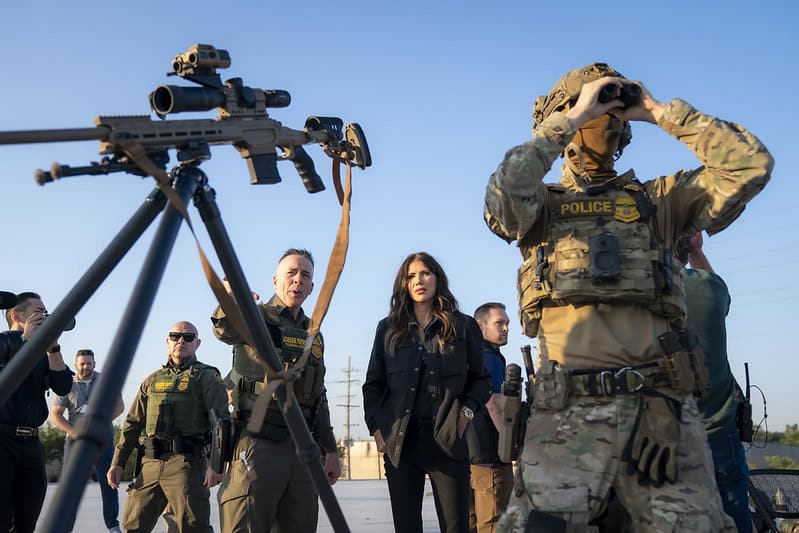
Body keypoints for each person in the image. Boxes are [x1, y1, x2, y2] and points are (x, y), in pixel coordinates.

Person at [483, 62, 773, 531]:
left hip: (660, 414)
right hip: (564, 418)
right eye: (595, 106)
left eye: (613, 110)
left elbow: (751, 164)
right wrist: (571, 118)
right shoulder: (540, 208)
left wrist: (658, 111)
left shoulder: (661, 201)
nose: (606, 119)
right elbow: (504, 193)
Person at [211, 248, 341, 533]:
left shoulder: (313, 333)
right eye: (291, 273)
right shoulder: (254, 316)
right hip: (257, 444)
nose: (297, 280)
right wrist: (231, 300)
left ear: (311, 287)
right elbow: (224, 329)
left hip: (303, 450)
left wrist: (330, 449)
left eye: (305, 275)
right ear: (275, 280)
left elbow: (317, 395)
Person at [363, 252, 490, 533]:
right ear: (403, 284)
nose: (418, 281)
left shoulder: (463, 326)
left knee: (456, 527)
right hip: (401, 445)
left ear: (437, 279)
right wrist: (377, 428)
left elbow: (481, 380)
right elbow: (373, 385)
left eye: (425, 274)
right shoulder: (387, 329)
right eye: (411, 276)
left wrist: (466, 412)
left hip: (448, 441)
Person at [106, 321, 228, 533]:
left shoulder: (207, 377)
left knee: (190, 527)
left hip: (186, 465)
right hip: (150, 465)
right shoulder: (151, 381)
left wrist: (216, 466)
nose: (181, 341)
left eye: (188, 337)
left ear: (197, 343)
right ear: (167, 341)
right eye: (175, 336)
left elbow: (221, 424)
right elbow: (133, 424)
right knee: (132, 526)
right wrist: (118, 462)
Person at [679, 232, 753, 533]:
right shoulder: (708, 288)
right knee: (734, 520)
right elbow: (714, 287)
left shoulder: (640, 293)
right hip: (717, 435)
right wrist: (697, 252)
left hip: (656, 440)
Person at [0, 291, 73, 532]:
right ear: (16, 315)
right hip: (2, 440)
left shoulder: (43, 352)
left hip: (31, 443)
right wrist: (24, 341)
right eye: (38, 312)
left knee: (27, 518)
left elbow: (62, 385)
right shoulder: (4, 343)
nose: (45, 316)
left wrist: (53, 347)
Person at [50, 348, 125, 533]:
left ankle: (113, 524)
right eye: (82, 364)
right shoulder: (66, 384)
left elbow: (119, 406)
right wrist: (75, 432)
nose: (86, 367)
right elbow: (55, 415)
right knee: (69, 485)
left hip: (103, 438)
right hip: (75, 440)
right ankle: (65, 526)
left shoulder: (106, 381)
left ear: (94, 364)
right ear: (76, 365)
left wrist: (101, 423)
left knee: (110, 482)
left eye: (89, 363)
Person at [466, 303, 514, 533]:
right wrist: (511, 445)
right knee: (494, 524)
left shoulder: (465, 355)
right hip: (490, 457)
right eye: (499, 323)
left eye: (507, 324)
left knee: (471, 523)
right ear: (480, 326)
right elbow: (494, 404)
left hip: (467, 457)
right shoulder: (490, 358)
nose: (505, 328)